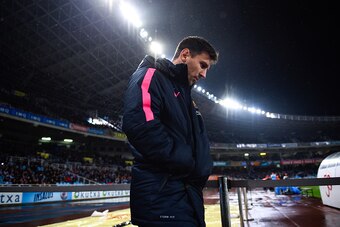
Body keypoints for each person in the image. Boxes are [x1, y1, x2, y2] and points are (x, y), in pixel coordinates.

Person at [122, 36, 218, 227]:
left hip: (185, 197)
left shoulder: (186, 97)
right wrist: (187, 162)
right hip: (161, 199)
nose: (204, 74)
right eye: (202, 65)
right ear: (185, 54)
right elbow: (141, 125)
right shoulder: (150, 75)